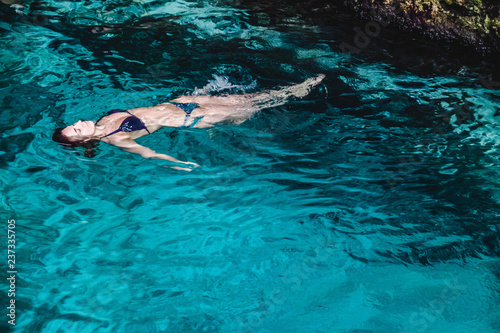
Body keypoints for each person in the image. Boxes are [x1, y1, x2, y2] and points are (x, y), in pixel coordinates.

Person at [53, 74, 325, 171]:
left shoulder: (103, 118)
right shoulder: (116, 138)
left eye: (74, 122)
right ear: (85, 140)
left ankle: (302, 88)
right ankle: (308, 87)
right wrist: (179, 164)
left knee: (252, 97)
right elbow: (149, 154)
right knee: (258, 104)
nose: (79, 121)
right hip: (194, 118)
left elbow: (149, 109)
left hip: (183, 104)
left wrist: (186, 97)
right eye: (77, 129)